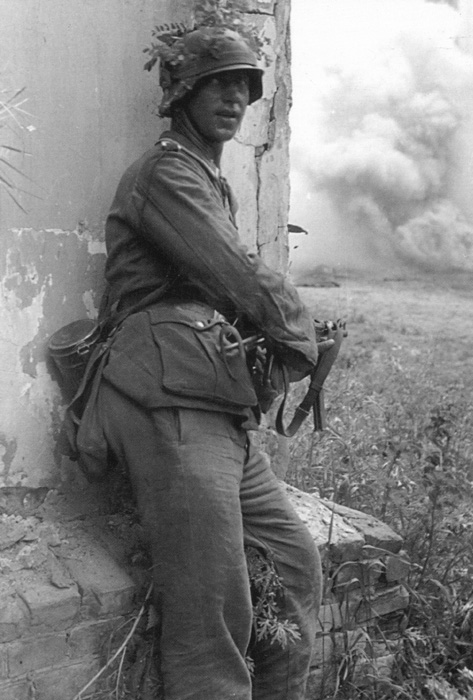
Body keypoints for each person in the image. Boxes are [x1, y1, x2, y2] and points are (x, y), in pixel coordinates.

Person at [91, 25, 323, 700]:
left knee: (294, 563)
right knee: (211, 611)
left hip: (211, 403)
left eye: (245, 88)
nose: (235, 99)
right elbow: (235, 271)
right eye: (218, 84)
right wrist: (299, 335)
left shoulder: (204, 177)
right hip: (167, 398)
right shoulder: (166, 174)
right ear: (182, 92)